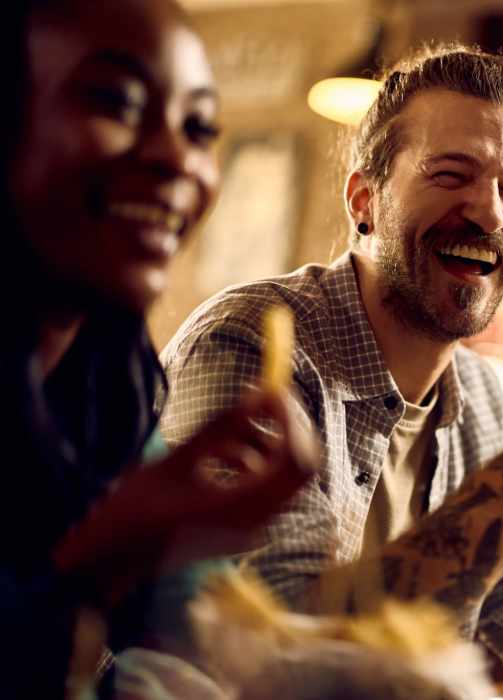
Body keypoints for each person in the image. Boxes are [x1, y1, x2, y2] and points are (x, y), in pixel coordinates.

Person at [159, 44, 503, 698]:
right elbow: (278, 656)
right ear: (364, 200)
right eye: (451, 175)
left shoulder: (477, 396)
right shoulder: (256, 345)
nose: (491, 212)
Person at [0, 1, 317, 696]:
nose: (177, 158)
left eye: (199, 127)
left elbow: (199, 638)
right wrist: (101, 562)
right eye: (116, 103)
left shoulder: (110, 381)